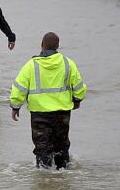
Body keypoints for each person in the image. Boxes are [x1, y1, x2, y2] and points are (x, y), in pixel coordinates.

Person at [10, 32, 87, 169]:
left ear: (41, 45)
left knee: (42, 147)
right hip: (62, 113)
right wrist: (77, 100)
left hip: (39, 114)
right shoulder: (68, 63)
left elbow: (19, 88)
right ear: (58, 46)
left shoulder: (31, 65)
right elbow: (78, 86)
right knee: (61, 146)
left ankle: (44, 177)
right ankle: (62, 173)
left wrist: (15, 106)